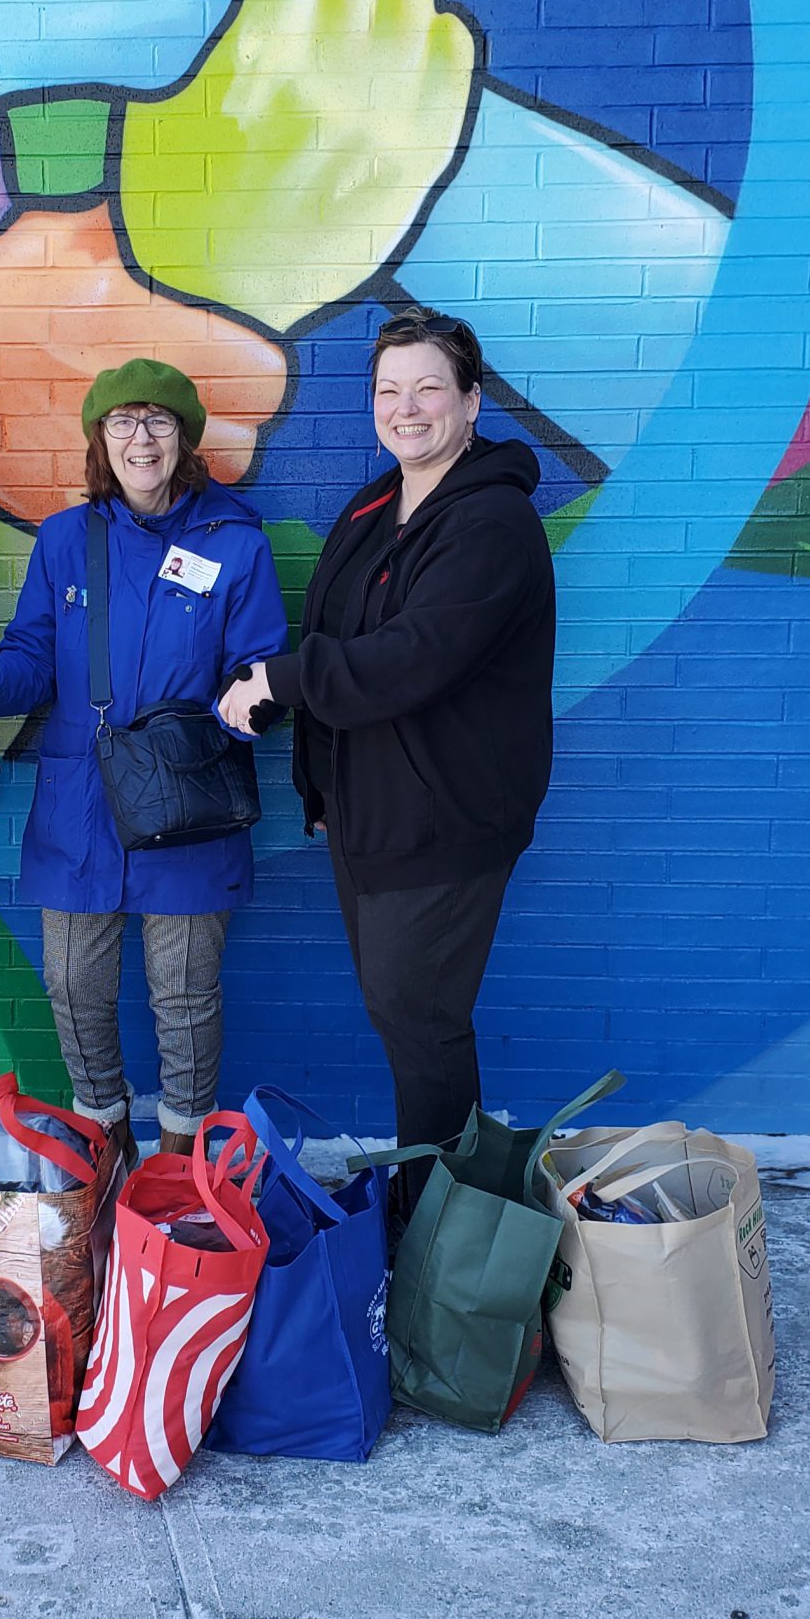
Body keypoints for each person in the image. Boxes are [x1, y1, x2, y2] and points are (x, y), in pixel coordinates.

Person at [220, 309, 553, 1217]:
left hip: (447, 819)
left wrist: (278, 682)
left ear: (472, 402)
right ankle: (449, 1215)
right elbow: (336, 629)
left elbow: (412, 656)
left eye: (429, 389)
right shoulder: (376, 509)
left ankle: (446, 1228)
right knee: (406, 1019)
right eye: (388, 391)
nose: (407, 410)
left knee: (421, 1022)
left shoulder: (492, 523)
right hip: (371, 816)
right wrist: (321, 785)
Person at [0, 358, 287, 1156]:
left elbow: (260, 662)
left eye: (158, 420)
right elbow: (31, 655)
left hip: (190, 798)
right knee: (74, 986)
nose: (141, 437)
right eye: (122, 421)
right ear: (100, 438)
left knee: (184, 999)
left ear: (184, 438)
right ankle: (106, 1140)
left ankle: (181, 1161)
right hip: (81, 803)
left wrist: (253, 703)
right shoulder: (63, 540)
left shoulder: (235, 542)